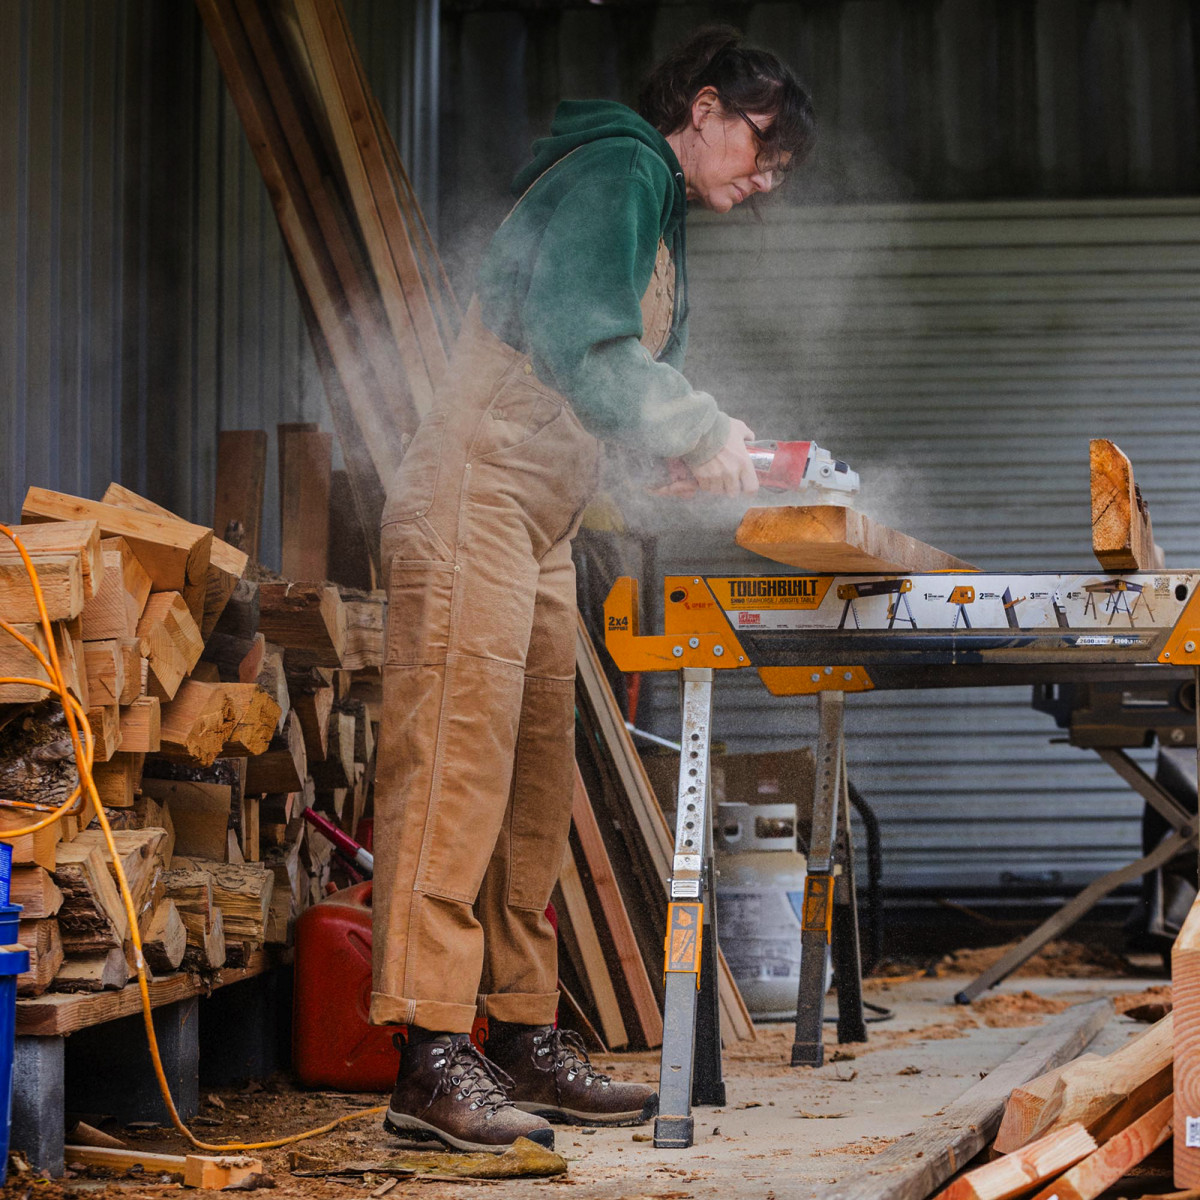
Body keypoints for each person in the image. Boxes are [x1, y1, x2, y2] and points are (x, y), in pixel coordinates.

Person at [371, 25, 815, 1154]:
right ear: (704, 108)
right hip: (476, 497)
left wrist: (680, 446)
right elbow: (583, 340)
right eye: (761, 146)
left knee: (531, 789)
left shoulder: (652, 203)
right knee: (454, 775)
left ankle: (522, 1037)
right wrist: (694, 421)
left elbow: (598, 380)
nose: (765, 177)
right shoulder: (624, 165)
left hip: (541, 520)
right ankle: (426, 1060)